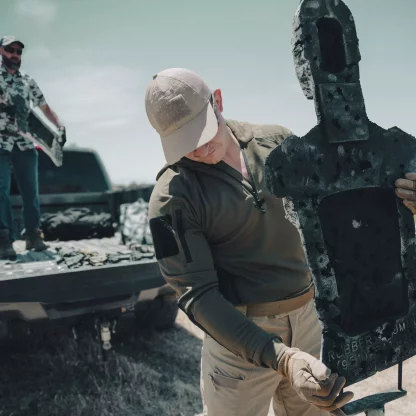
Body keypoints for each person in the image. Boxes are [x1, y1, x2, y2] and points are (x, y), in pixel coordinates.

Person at [144, 68, 414, 415]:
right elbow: (198, 297)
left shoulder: (278, 143)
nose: (199, 148)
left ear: (218, 101)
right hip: (239, 338)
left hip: (309, 322)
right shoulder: (172, 198)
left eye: (202, 131)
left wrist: (402, 202)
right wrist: (283, 359)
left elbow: (344, 209)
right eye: (185, 142)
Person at [0, 36, 65, 259]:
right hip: (1, 142)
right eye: (10, 50)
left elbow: (45, 108)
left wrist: (59, 126)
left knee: (30, 191)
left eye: (18, 51)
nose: (14, 54)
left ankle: (33, 236)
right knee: (1, 189)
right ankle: (4, 238)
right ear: (1, 51)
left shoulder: (28, 80)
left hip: (25, 143)